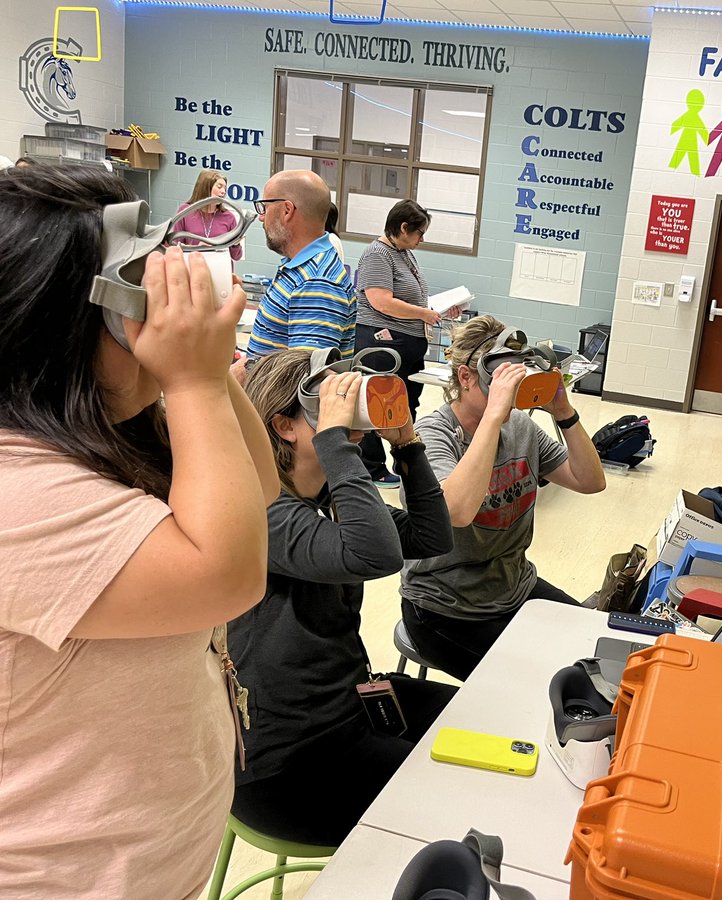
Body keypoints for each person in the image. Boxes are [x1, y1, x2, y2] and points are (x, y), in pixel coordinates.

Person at [0, 166, 279, 895]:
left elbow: (256, 487)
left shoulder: (86, 432)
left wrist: (205, 373)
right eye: (141, 305)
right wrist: (190, 380)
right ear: (48, 328)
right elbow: (227, 576)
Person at [229, 349, 455, 845]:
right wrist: (337, 440)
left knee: (477, 716)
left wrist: (408, 445)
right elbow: (377, 556)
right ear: (285, 426)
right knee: (457, 793)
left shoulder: (327, 502)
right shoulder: (262, 513)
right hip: (288, 764)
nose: (344, 412)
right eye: (325, 403)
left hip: (348, 709)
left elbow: (433, 539)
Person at [399, 315, 607, 680]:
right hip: (444, 607)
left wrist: (564, 414)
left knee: (598, 655)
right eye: (499, 380)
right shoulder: (432, 435)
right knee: (540, 683)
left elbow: (590, 482)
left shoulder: (519, 427)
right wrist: (494, 416)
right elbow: (457, 512)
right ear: (466, 377)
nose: (510, 393)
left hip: (513, 587)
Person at [354, 199, 454, 487]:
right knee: (377, 404)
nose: (422, 240)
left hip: (408, 342)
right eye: (419, 233)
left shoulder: (403, 253)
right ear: (402, 227)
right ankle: (373, 469)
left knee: (406, 404)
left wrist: (439, 310)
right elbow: (380, 301)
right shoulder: (377, 254)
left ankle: (406, 460)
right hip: (382, 341)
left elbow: (410, 298)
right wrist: (424, 313)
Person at [247, 169, 355, 359]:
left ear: (287, 210)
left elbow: (303, 377)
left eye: (265, 208)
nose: (261, 218)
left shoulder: (317, 283)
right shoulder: (300, 269)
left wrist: (246, 368)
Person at [175, 169, 244, 261]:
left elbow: (236, 257)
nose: (223, 191)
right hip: (193, 267)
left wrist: (236, 244)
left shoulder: (229, 217)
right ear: (206, 188)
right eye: (219, 187)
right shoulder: (185, 211)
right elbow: (175, 248)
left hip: (220, 270)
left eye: (225, 188)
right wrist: (196, 249)